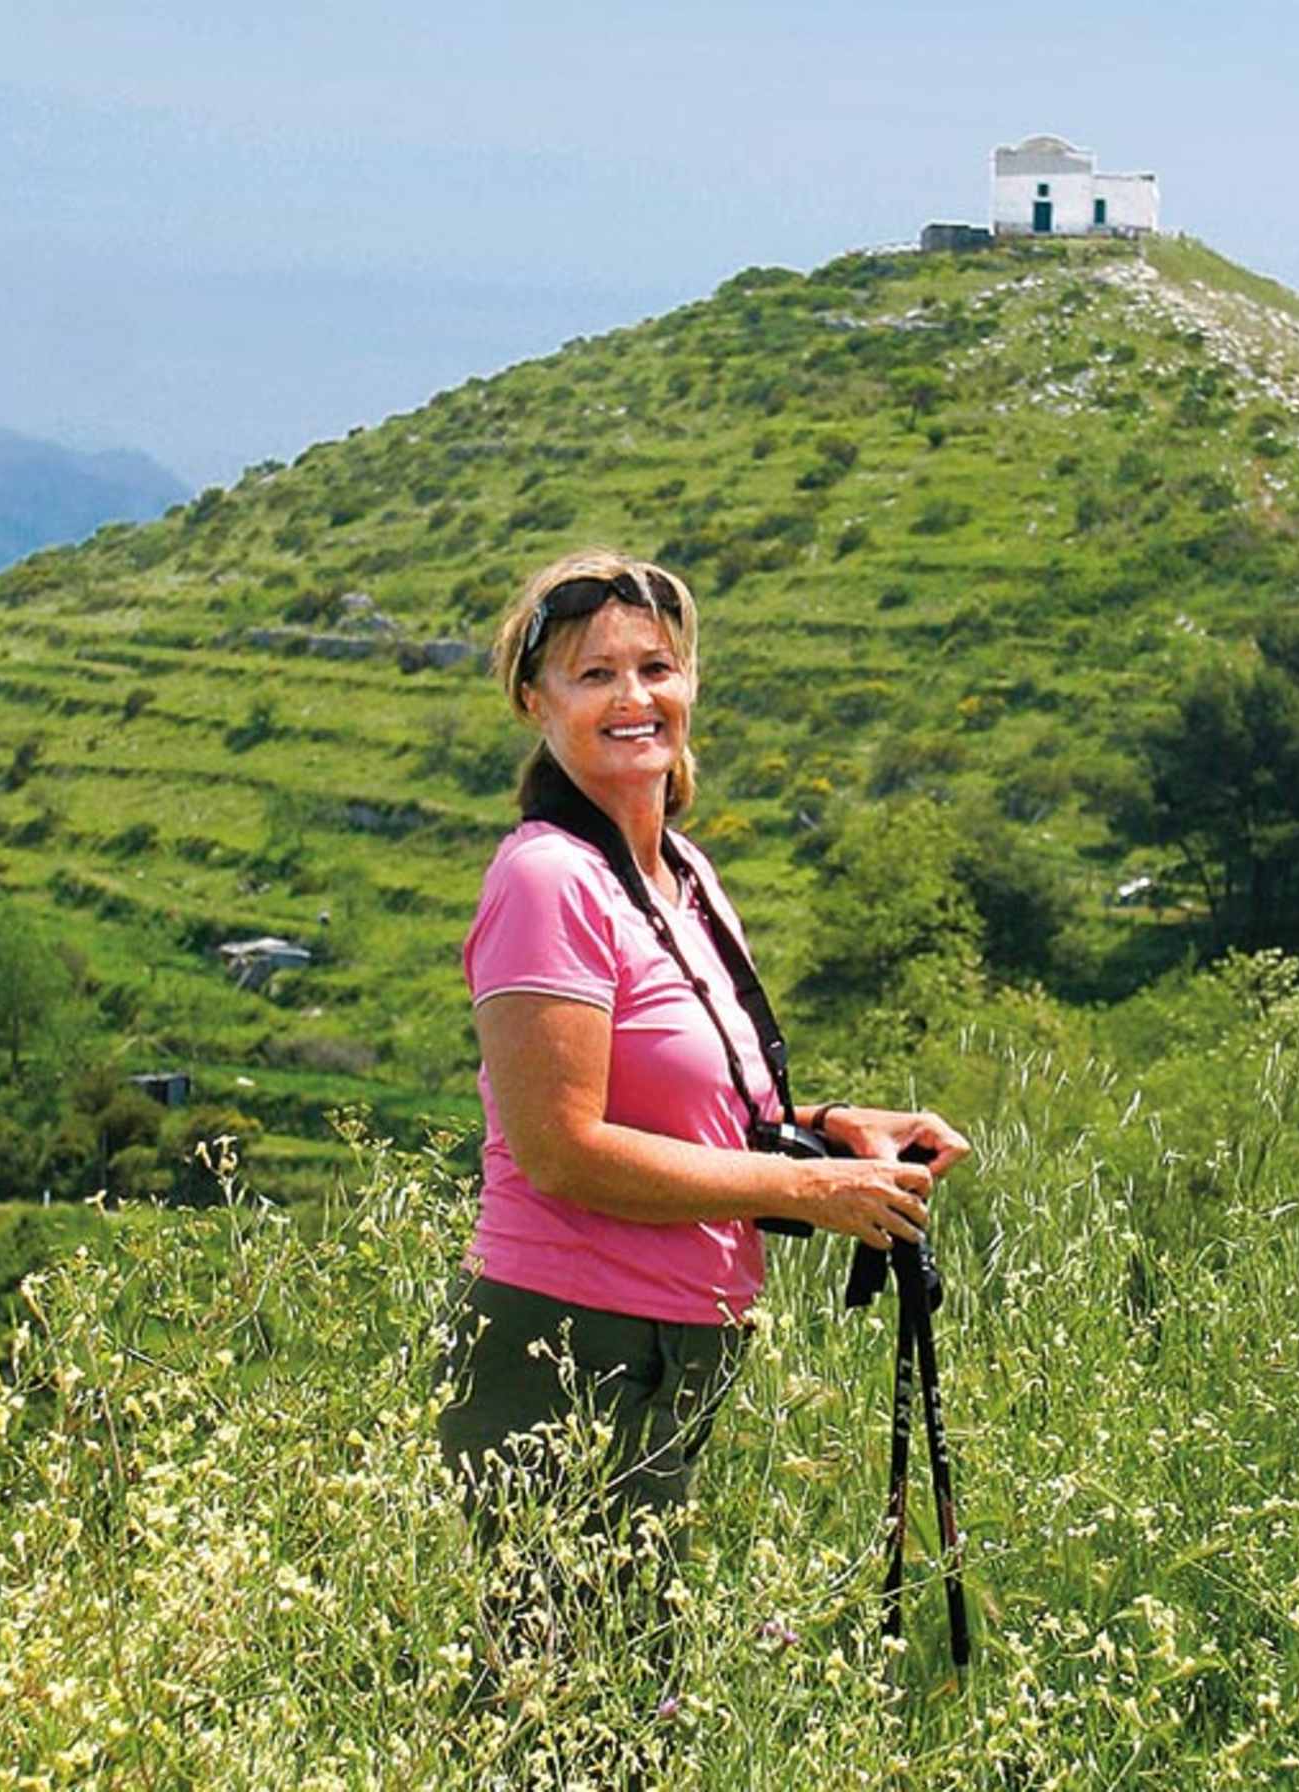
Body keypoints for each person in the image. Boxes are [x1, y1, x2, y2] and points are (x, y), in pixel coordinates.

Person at [437, 547, 970, 1661]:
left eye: (657, 667)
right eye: (594, 676)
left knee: (630, 1695)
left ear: (690, 687)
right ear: (535, 701)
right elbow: (563, 1151)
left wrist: (833, 1132)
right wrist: (808, 1189)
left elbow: (697, 1098)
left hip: (671, 1343)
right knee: (564, 1714)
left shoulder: (678, 869)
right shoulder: (548, 881)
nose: (635, 700)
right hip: (568, 1344)